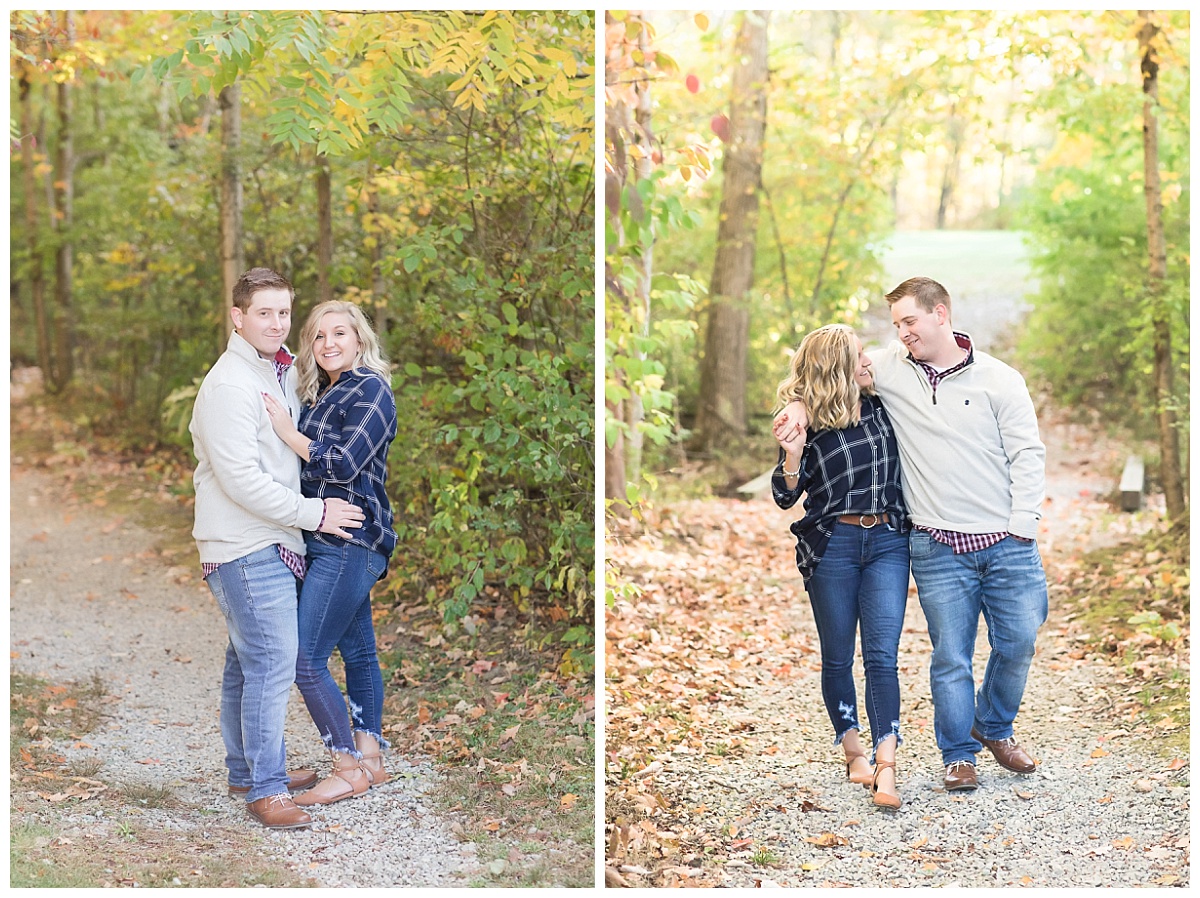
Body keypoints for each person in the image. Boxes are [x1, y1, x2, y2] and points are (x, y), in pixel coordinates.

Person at [778, 277, 1048, 793]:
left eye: (909, 321)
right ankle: (957, 756)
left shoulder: (1000, 379)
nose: (901, 334)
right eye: (896, 324)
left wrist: (1023, 525)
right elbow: (824, 370)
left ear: (941, 314)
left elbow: (1028, 454)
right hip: (933, 541)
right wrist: (795, 407)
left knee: (1018, 641)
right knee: (950, 653)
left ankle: (990, 724)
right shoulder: (889, 369)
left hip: (1006, 537)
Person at [191, 268, 365, 830]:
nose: (275, 323)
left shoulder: (277, 370)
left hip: (271, 538)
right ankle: (265, 789)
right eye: (263, 312)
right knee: (270, 661)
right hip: (244, 542)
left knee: (245, 664)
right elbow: (241, 480)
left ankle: (246, 769)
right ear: (237, 317)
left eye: (283, 312)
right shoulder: (229, 386)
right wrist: (316, 513)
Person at [262, 300, 398, 806]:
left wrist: (286, 432)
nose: (328, 344)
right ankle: (372, 760)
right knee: (358, 651)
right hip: (324, 540)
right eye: (318, 337)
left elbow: (341, 465)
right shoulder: (327, 393)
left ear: (359, 339)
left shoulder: (371, 390)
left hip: (350, 543)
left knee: (306, 660)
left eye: (339, 333)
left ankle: (346, 766)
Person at [770, 324, 910, 810]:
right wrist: (792, 453)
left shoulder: (882, 405)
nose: (868, 361)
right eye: (858, 356)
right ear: (836, 367)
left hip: (889, 540)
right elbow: (786, 496)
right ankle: (853, 750)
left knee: (882, 658)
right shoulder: (803, 424)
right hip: (834, 545)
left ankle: (886, 765)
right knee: (837, 656)